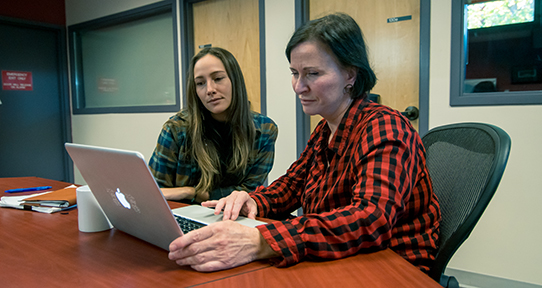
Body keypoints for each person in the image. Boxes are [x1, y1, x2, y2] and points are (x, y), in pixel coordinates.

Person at [168, 13, 441, 274]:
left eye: (312, 74)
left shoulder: (386, 128)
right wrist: (250, 201)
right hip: (343, 256)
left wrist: (260, 241)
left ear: (350, 75)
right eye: (294, 73)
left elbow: (369, 219)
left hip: (390, 266)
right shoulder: (325, 130)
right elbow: (290, 188)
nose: (299, 87)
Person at [149, 47, 278, 203]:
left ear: (235, 81)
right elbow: (155, 192)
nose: (209, 90)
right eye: (200, 83)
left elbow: (249, 191)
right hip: (183, 217)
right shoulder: (176, 129)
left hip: (234, 216)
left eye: (218, 79)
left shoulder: (264, 130)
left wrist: (193, 193)